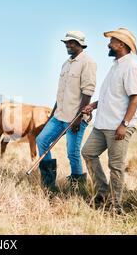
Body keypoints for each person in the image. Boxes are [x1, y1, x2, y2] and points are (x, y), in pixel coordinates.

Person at [81, 28, 137, 214]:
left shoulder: (132, 66)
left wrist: (124, 125)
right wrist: (94, 105)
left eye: (112, 41)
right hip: (102, 124)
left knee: (116, 167)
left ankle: (116, 208)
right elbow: (113, 96)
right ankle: (102, 193)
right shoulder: (115, 65)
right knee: (88, 153)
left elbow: (135, 98)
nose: (109, 44)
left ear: (121, 45)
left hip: (118, 126)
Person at [36, 31, 97, 192]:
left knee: (72, 153)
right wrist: (51, 116)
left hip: (75, 117)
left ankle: (78, 188)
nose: (67, 45)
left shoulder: (87, 62)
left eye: (71, 42)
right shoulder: (66, 64)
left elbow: (88, 92)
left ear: (80, 44)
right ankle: (49, 184)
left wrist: (78, 117)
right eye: (66, 42)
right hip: (59, 115)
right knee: (41, 140)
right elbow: (61, 94)